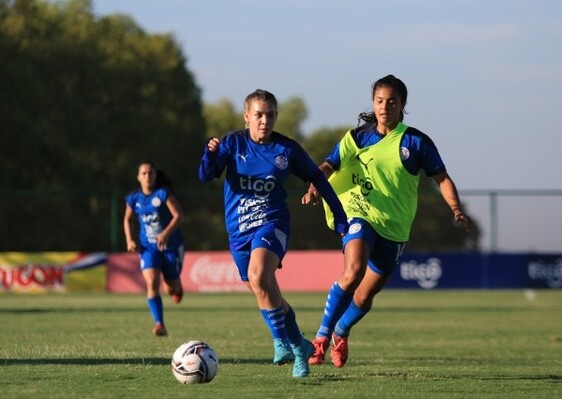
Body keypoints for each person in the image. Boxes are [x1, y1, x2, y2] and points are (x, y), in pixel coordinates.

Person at [302, 74, 473, 368]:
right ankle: (321, 339)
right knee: (353, 270)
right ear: (373, 103)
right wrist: (316, 184)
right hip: (360, 213)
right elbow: (331, 164)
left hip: (395, 226)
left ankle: (342, 332)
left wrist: (455, 208)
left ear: (402, 105)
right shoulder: (356, 137)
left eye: (391, 101)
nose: (384, 106)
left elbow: (441, 178)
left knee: (366, 295)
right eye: (379, 101)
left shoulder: (415, 141)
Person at [198, 89, 349, 378]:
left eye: (270, 115)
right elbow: (206, 175)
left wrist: (340, 217)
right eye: (258, 115)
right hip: (239, 232)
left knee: (259, 276)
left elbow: (318, 177)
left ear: (276, 117)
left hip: (273, 224)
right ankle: (300, 349)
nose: (265, 120)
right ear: (246, 117)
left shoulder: (286, 149)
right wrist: (210, 153)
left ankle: (280, 341)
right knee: (267, 292)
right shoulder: (232, 143)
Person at [123, 161, 185, 337]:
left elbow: (179, 216)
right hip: (148, 247)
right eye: (143, 173)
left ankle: (177, 287)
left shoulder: (163, 194)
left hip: (170, 246)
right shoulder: (133, 198)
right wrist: (129, 240)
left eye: (150, 173)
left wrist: (165, 233)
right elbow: (127, 219)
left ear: (155, 175)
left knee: (170, 289)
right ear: (138, 177)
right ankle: (160, 324)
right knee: (151, 282)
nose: (147, 176)